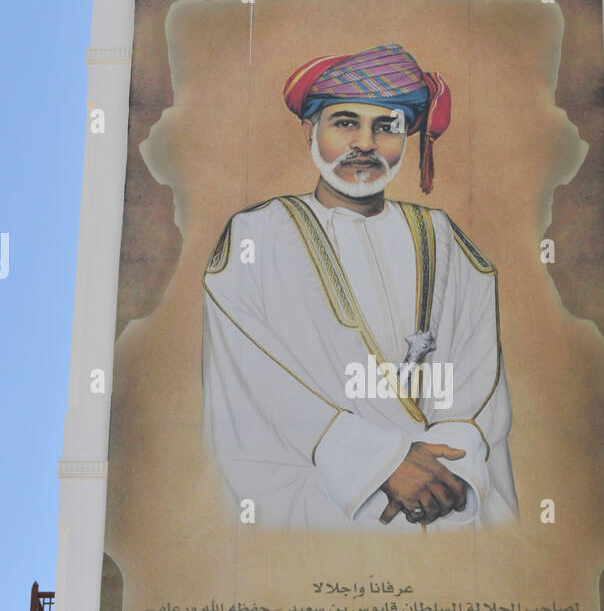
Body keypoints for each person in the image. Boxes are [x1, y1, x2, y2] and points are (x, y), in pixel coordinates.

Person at [202, 42, 518, 532]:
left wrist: (446, 467)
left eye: (386, 126)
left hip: (443, 498)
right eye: (346, 123)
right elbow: (250, 378)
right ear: (311, 130)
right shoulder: (257, 235)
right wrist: (380, 463)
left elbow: (479, 374)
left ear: (407, 138)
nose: (366, 143)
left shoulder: (442, 237)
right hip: (322, 499)